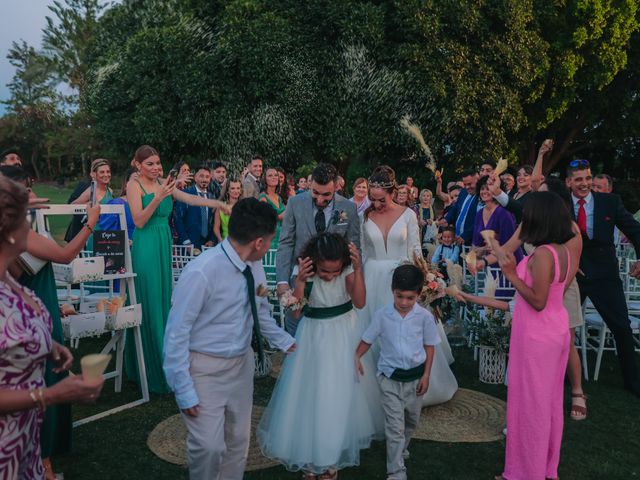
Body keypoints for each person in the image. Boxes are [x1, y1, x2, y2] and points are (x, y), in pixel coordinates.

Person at [163, 198, 295, 480]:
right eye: (271, 240)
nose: (270, 246)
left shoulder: (255, 267)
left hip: (241, 366)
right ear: (259, 242)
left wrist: (289, 343)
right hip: (203, 370)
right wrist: (183, 387)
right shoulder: (202, 271)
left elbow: (260, 315)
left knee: (238, 442)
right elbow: (176, 332)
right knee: (208, 447)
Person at [0, 175, 103, 479]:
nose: (29, 226)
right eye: (22, 218)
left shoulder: (10, 278)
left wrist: (50, 347)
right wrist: (51, 395)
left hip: (26, 440)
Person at [258, 233, 383, 479]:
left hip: (344, 334)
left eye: (334, 271)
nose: (329, 276)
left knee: (338, 394)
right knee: (312, 392)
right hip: (313, 335)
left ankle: (330, 458)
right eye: (325, 271)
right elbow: (295, 313)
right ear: (314, 262)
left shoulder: (346, 269)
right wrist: (302, 282)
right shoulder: (305, 270)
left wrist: (357, 269)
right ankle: (310, 454)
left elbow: (359, 301)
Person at [124, 145, 229, 394]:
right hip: (146, 243)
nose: (155, 167)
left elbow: (191, 199)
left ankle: (168, 362)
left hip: (163, 243)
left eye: (158, 163)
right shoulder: (134, 185)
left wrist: (218, 203)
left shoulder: (164, 181)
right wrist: (159, 197)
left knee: (162, 301)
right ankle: (151, 367)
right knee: (149, 300)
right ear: (138, 165)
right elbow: (138, 220)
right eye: (149, 164)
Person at [496, 191, 578, 480]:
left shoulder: (543, 254)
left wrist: (512, 275)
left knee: (531, 405)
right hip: (555, 330)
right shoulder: (563, 251)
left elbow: (539, 300)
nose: (524, 218)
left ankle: (525, 472)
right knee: (549, 402)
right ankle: (542, 467)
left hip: (537, 335)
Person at [359, 165, 457, 406]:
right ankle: (371, 389)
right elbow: (363, 252)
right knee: (372, 332)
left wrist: (423, 280)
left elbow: (414, 251)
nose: (376, 203)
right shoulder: (366, 215)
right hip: (371, 278)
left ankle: (412, 384)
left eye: (381, 199)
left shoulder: (408, 215)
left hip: (401, 277)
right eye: (372, 198)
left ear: (393, 192)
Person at [356, 264, 439, 480]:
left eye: (410, 298)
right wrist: (355, 356)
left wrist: (427, 375)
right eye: (399, 296)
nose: (403, 302)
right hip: (389, 379)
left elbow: (430, 346)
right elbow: (368, 338)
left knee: (411, 421)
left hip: (416, 381)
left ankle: (401, 449)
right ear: (392, 291)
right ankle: (396, 470)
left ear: (419, 295)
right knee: (395, 428)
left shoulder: (424, 317)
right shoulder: (382, 315)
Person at [565, 159, 640, 397]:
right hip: (571, 275)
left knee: (622, 327)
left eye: (588, 178)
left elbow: (635, 230)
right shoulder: (560, 203)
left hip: (605, 275)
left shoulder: (610, 202)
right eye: (579, 179)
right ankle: (563, 377)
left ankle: (633, 381)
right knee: (562, 328)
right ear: (569, 182)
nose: (585, 183)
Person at [276, 163, 360, 334]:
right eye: (315, 193)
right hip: (300, 281)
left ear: (336, 186)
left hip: (334, 287)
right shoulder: (294, 203)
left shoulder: (348, 208)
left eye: (326, 195)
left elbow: (354, 248)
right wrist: (282, 282)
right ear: (310, 184)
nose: (320, 199)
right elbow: (286, 243)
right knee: (296, 334)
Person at [174, 165, 216, 249]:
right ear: (195, 178)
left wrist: (212, 240)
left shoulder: (212, 197)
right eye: (201, 176)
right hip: (188, 244)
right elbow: (178, 219)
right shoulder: (185, 193)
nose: (204, 179)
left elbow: (213, 222)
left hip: (207, 245)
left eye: (207, 177)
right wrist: (186, 241)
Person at [98, 167, 137, 240]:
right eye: (136, 180)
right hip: (122, 248)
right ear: (126, 185)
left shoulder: (149, 204)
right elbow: (107, 235)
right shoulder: (115, 204)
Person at [445, 169, 480, 246]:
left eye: (470, 184)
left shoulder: (482, 196)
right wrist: (446, 219)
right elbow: (456, 207)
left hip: (472, 242)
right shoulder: (463, 191)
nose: (467, 187)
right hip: (458, 239)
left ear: (477, 180)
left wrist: (465, 236)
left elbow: (479, 221)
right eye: (465, 184)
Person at [258, 167, 286, 249]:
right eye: (270, 176)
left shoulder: (279, 197)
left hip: (281, 237)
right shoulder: (263, 197)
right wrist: (283, 215)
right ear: (265, 180)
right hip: (270, 238)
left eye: (275, 175)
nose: (274, 177)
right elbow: (266, 218)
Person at [213, 178, 242, 243]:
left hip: (242, 243)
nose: (236, 191)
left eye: (238, 188)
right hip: (226, 242)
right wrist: (220, 240)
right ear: (227, 191)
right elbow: (216, 228)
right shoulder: (220, 207)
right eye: (233, 188)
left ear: (241, 190)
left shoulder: (245, 206)